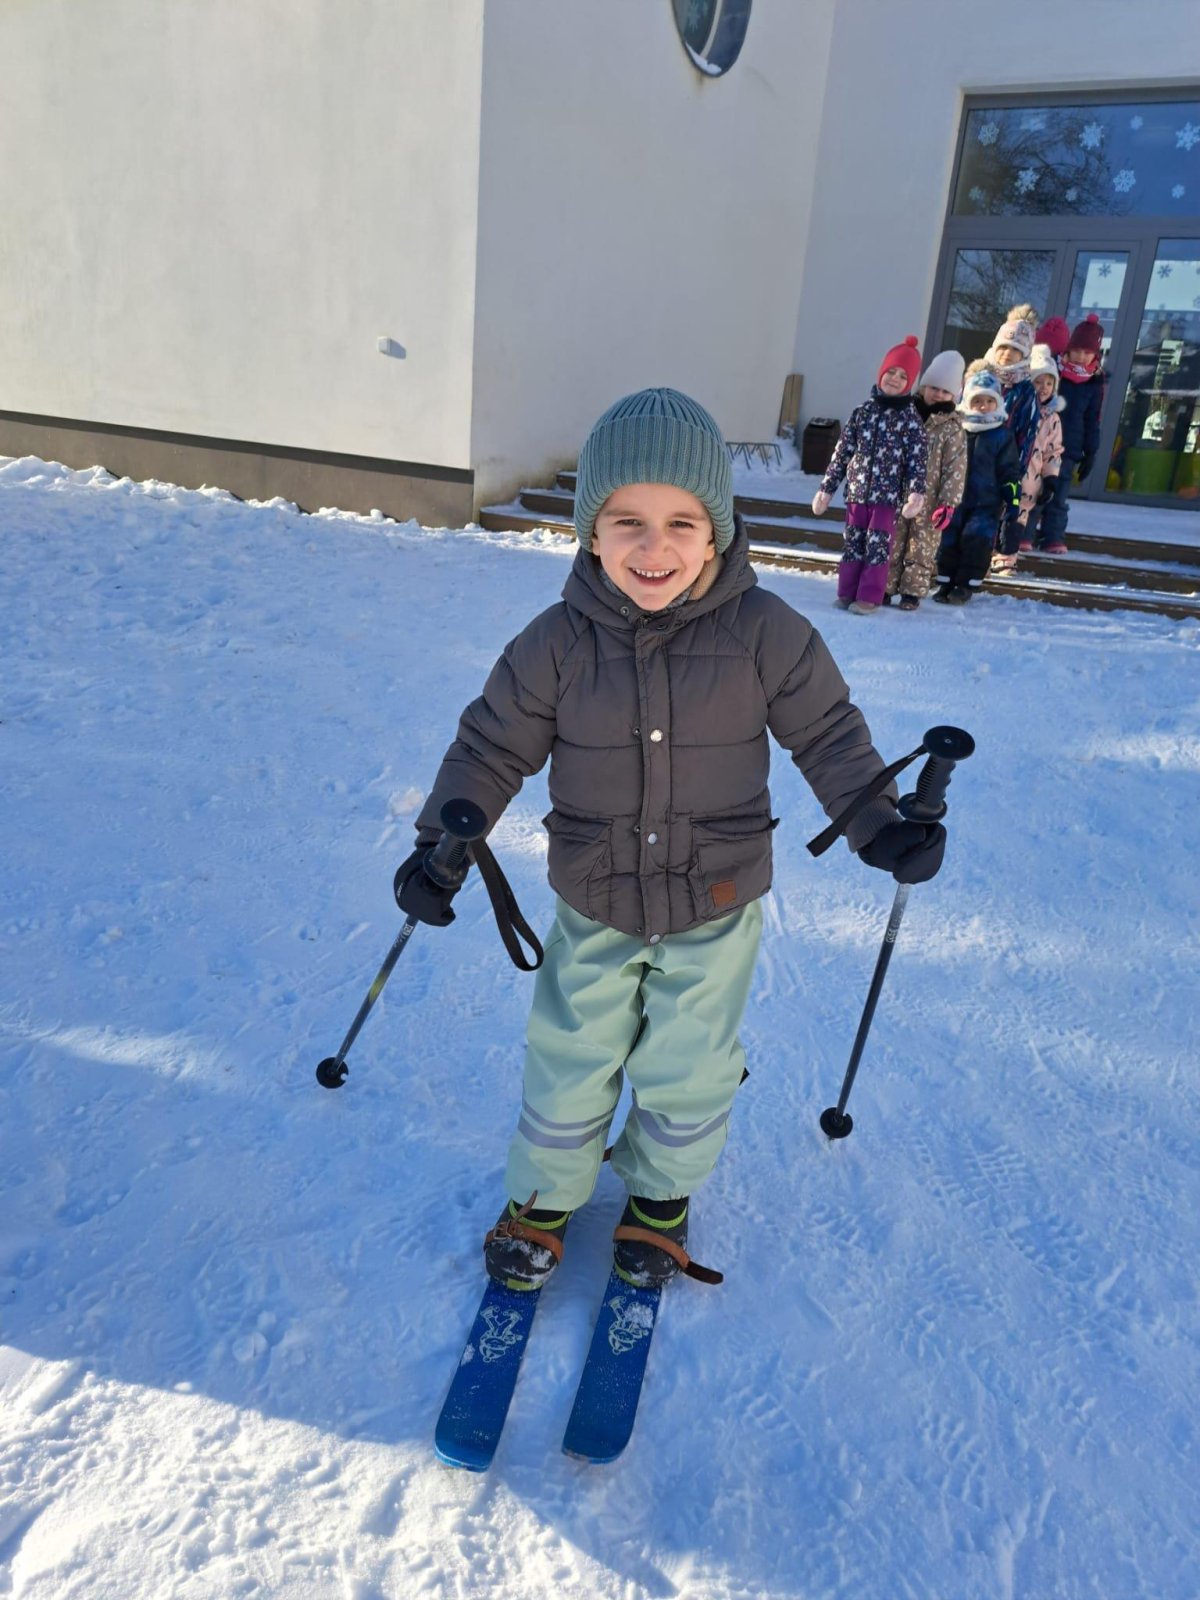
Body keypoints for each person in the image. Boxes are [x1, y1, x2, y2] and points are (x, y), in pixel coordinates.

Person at [396, 388, 947, 1293]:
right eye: (628, 523)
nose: (655, 549)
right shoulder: (555, 644)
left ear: (717, 531)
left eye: (681, 523)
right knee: (570, 1058)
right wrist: (441, 844)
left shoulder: (769, 635)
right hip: (595, 895)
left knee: (689, 1068)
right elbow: (490, 746)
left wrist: (880, 827)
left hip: (715, 899)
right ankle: (542, 1198)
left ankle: (658, 1199)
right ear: (591, 531)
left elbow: (830, 738)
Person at [811, 335, 928, 615]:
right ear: (881, 373)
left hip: (886, 498)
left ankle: (869, 597)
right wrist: (827, 488)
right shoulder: (862, 412)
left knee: (877, 547)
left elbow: (917, 460)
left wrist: (916, 492)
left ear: (910, 383)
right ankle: (846, 592)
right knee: (853, 543)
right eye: (891, 372)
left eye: (903, 376)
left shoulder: (910, 420)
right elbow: (842, 452)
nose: (895, 379)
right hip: (857, 493)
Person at [885, 350, 967, 610]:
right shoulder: (906, 415)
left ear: (954, 395)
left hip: (930, 500)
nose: (938, 395)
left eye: (945, 391)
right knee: (892, 540)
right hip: (899, 493)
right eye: (934, 388)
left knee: (921, 546)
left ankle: (912, 591)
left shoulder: (952, 428)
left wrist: (948, 503)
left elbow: (955, 468)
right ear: (923, 387)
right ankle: (885, 586)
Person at [934, 371, 1020, 605]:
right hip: (954, 498)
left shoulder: (1001, 435)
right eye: (978, 400)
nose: (983, 406)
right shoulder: (957, 430)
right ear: (967, 401)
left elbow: (1010, 470)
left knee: (976, 541)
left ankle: (965, 585)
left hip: (986, 502)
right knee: (949, 539)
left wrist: (1012, 500)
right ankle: (945, 582)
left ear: (997, 403)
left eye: (989, 401)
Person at [1040, 313, 1107, 554]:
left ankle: (1053, 536)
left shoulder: (1094, 383)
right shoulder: (1054, 374)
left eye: (1087, 352)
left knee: (1058, 496)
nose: (1081, 356)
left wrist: (1091, 451)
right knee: (1035, 489)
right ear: (1068, 349)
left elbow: (1092, 419)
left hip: (1069, 447)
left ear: (1095, 355)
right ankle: (1022, 534)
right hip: (1042, 443)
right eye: (1077, 350)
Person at [977, 304, 1041, 474]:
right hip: (967, 463)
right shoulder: (978, 379)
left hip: (1000, 468)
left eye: (1015, 349)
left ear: (1025, 354)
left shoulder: (1026, 391)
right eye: (1004, 347)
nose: (1007, 353)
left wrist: (1014, 475)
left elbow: (1027, 434)